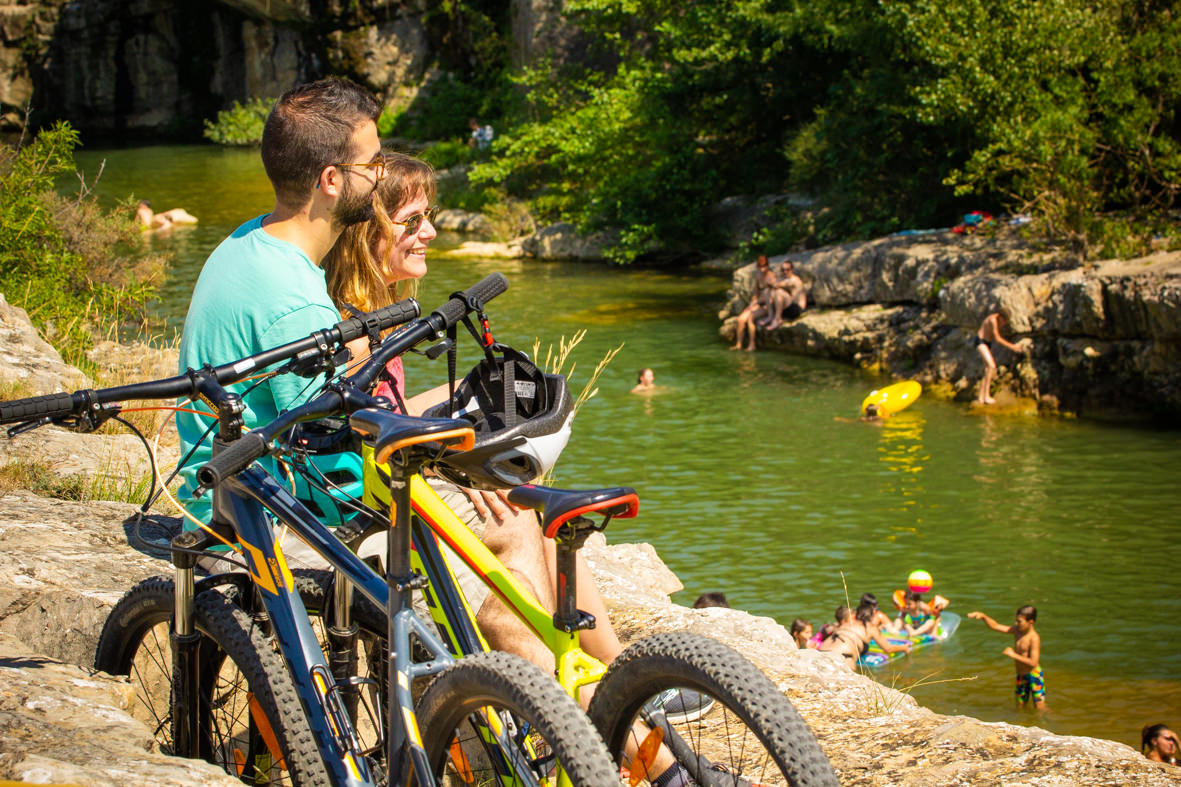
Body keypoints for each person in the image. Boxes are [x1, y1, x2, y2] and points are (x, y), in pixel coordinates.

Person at [176, 77, 387, 529]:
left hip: (212, 504)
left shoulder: (247, 238)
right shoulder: (297, 303)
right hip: (261, 528)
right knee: (511, 528)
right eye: (374, 164)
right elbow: (328, 461)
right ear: (331, 180)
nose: (380, 177)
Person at [968, 605, 1046, 709]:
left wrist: (1013, 655)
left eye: (1019, 621)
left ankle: (1044, 722)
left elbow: (1033, 662)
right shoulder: (1017, 630)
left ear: (1030, 622)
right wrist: (984, 617)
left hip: (1034, 675)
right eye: (1016, 621)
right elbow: (995, 626)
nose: (1016, 624)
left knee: (1040, 707)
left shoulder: (1034, 638)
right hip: (1021, 675)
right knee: (1020, 705)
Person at [819, 601, 909, 668]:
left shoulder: (844, 623)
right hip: (843, 656)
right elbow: (888, 648)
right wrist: (904, 648)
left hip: (820, 653)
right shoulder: (871, 627)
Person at [974, 308, 1028, 405]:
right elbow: (997, 338)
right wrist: (1013, 347)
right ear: (1000, 317)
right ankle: (986, 396)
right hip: (980, 342)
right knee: (991, 366)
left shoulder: (998, 320)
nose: (1005, 323)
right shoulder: (992, 320)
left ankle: (980, 398)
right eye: (1004, 320)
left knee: (987, 369)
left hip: (987, 343)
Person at [730, 255, 775, 352]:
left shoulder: (771, 277)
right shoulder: (758, 276)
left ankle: (752, 344)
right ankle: (738, 344)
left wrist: (757, 303)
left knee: (750, 318)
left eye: (764, 267)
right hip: (757, 303)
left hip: (767, 305)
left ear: (767, 266)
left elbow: (771, 296)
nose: (762, 270)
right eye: (760, 267)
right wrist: (752, 304)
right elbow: (756, 293)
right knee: (741, 319)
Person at [761, 260, 807, 331]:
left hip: (796, 309)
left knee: (779, 292)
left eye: (787, 270)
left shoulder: (795, 280)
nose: (785, 272)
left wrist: (771, 282)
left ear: (792, 269)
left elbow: (780, 284)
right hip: (786, 308)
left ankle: (777, 319)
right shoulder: (783, 278)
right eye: (783, 270)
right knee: (767, 291)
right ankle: (770, 315)